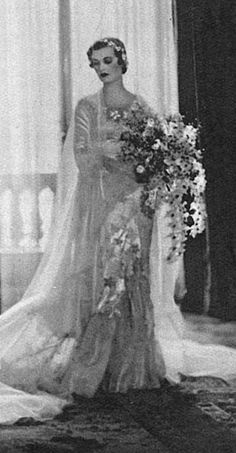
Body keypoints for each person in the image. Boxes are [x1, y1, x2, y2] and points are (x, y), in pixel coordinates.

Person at [0, 37, 235, 425]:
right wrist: (102, 152)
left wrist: (150, 173)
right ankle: (96, 365)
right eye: (95, 63)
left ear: (121, 62)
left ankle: (133, 367)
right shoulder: (87, 108)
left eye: (107, 60)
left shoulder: (141, 107)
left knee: (132, 280)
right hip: (102, 206)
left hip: (136, 206)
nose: (102, 68)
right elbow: (83, 160)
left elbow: (155, 161)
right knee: (108, 281)